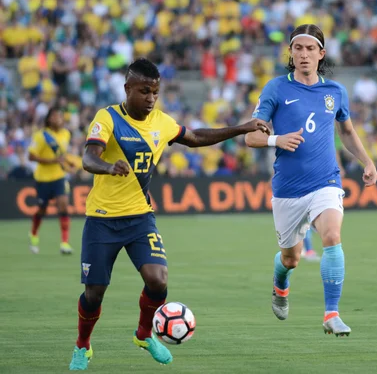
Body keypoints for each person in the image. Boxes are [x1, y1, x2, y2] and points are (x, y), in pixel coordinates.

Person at [69, 58, 268, 370]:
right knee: (94, 294)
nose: (150, 98)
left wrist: (242, 128)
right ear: (127, 89)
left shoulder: (161, 122)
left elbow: (196, 138)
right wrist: (109, 167)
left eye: (155, 93)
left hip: (140, 218)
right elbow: (88, 158)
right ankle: (83, 346)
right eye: (144, 91)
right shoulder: (106, 118)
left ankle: (144, 334)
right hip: (102, 219)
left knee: (158, 280)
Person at [245, 24, 377, 336]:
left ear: (321, 54)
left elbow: (346, 131)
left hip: (326, 182)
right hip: (288, 190)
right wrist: (276, 140)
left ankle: (331, 314)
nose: (304, 54)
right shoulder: (276, 88)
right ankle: (280, 285)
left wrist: (367, 160)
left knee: (332, 236)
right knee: (291, 259)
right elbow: (252, 136)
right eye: (298, 48)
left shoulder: (335, 92)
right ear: (291, 53)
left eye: (310, 49)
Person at [27, 107, 77, 255]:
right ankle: (34, 234)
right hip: (43, 179)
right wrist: (53, 160)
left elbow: (62, 155)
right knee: (42, 210)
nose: (59, 119)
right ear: (49, 119)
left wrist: (68, 163)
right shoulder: (40, 136)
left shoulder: (66, 134)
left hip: (59, 177)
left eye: (61, 116)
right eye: (55, 116)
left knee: (63, 206)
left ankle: (65, 243)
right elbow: (31, 156)